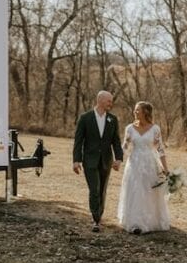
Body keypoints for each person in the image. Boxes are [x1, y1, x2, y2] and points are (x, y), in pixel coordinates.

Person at [116, 101, 171, 234]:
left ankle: (150, 220)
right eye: (135, 110)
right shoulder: (129, 128)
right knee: (135, 190)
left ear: (145, 112)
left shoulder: (155, 129)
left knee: (148, 192)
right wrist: (117, 160)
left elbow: (160, 149)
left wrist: (165, 168)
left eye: (137, 110)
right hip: (134, 163)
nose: (135, 112)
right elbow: (125, 146)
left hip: (149, 164)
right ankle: (135, 223)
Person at [72, 90, 124, 232]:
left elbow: (116, 141)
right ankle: (96, 219)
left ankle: (99, 215)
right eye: (109, 101)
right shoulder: (85, 118)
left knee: (102, 190)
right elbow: (78, 141)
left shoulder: (112, 119)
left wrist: (119, 158)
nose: (111, 104)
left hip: (106, 161)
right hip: (89, 160)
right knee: (94, 189)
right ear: (100, 100)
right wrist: (76, 160)